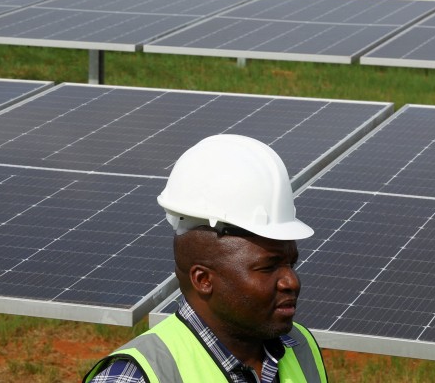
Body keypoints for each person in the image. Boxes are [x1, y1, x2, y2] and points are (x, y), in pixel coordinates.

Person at [83, 134, 327, 383]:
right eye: (268, 267)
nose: (291, 282)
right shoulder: (135, 379)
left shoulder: (300, 346)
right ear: (203, 279)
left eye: (290, 264)